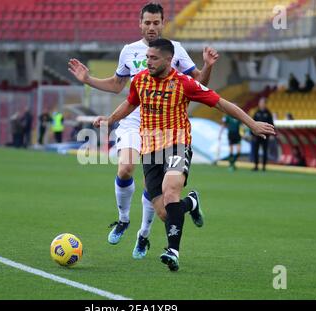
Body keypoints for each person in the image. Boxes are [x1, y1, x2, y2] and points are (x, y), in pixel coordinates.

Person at [93, 39, 275, 271]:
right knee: (164, 212)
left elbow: (222, 104)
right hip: (149, 151)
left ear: (169, 60)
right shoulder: (139, 80)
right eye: (147, 57)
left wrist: (252, 124)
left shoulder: (184, 83)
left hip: (176, 144)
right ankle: (192, 202)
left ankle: (172, 251)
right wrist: (110, 120)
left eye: (153, 58)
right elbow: (130, 104)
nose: (147, 61)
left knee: (170, 193)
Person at [68, 3, 219, 259]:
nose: (151, 27)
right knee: (125, 167)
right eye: (147, 22)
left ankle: (144, 234)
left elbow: (199, 83)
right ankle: (124, 219)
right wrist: (89, 80)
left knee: (161, 200)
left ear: (163, 23)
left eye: (156, 23)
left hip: (163, 129)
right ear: (140, 24)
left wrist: (208, 66)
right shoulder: (129, 51)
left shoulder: (175, 50)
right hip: (131, 121)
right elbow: (117, 85)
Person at [252, 97, 274, 171]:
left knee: (265, 151)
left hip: (265, 136)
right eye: (260, 103)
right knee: (256, 151)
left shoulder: (268, 113)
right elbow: (252, 123)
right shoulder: (256, 112)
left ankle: (264, 166)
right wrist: (252, 134)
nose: (260, 104)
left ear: (265, 104)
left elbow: (271, 124)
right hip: (257, 135)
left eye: (262, 103)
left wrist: (271, 135)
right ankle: (256, 166)